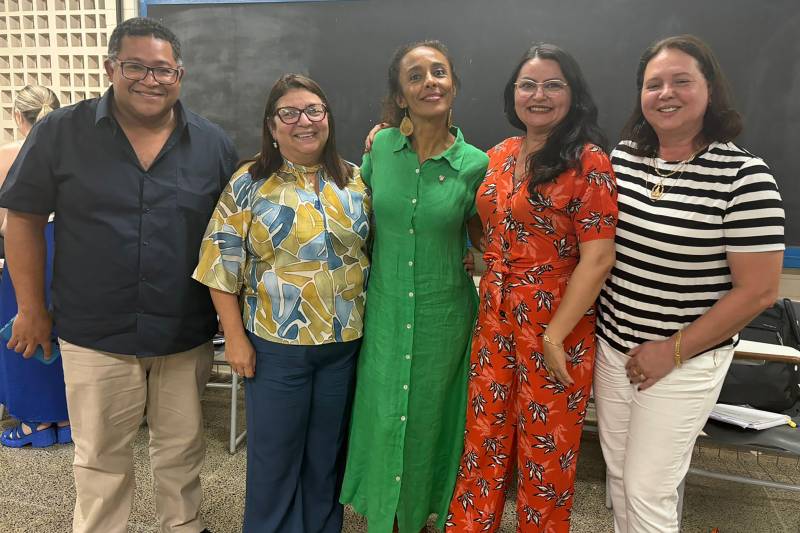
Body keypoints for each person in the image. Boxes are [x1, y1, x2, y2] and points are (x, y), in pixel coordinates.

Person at [0, 17, 237, 533]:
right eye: (135, 67)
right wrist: (31, 309)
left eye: (163, 70)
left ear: (179, 75)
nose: (150, 80)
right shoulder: (60, 132)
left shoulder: (213, 144)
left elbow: (230, 237)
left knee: (182, 450)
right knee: (100, 457)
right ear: (111, 68)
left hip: (183, 331)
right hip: (94, 331)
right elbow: (22, 219)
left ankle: (184, 525)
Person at [594, 34, 785, 533]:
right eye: (653, 83)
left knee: (648, 488)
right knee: (619, 478)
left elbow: (759, 291)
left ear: (710, 89)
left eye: (681, 81)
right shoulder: (624, 158)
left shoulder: (744, 176)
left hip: (685, 358)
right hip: (613, 349)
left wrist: (671, 351)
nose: (666, 93)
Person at [445, 43, 617, 532]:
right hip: (494, 320)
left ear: (573, 94)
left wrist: (555, 336)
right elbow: (487, 221)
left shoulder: (589, 162)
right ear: (513, 94)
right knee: (483, 440)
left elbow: (598, 257)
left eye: (553, 85)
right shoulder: (499, 154)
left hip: (556, 326)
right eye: (528, 85)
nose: (539, 95)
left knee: (545, 456)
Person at [193, 73, 370, 533]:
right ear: (272, 126)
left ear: (328, 118)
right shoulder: (249, 182)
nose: (303, 121)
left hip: (344, 345)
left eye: (313, 110)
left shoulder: (355, 179)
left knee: (326, 456)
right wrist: (235, 339)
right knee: (275, 458)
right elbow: (219, 264)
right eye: (288, 113)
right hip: (276, 347)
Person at [339, 40, 489, 532]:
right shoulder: (381, 149)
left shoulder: (477, 164)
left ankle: (422, 515)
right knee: (384, 414)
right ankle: (384, 514)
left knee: (429, 419)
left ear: (454, 85)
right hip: (384, 314)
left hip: (444, 319)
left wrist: (478, 257)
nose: (430, 82)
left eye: (439, 72)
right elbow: (358, 219)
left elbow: (488, 237)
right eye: (416, 76)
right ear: (400, 95)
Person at [0, 85, 69, 448]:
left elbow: (6, 223)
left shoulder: (5, 156)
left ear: (17, 116)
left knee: (21, 330)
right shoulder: (74, 154)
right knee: (69, 331)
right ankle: (69, 418)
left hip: (22, 251)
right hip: (68, 250)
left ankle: (35, 423)